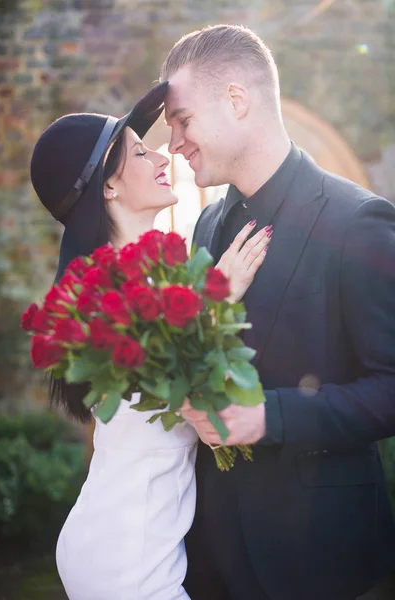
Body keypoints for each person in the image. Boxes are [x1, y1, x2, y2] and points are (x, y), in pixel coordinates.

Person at [161, 24, 395, 600]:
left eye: (183, 121)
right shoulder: (207, 227)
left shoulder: (358, 220)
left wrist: (269, 417)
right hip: (211, 554)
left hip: (322, 560)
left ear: (236, 100)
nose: (174, 143)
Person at [29, 81, 272, 600]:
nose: (161, 153)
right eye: (138, 150)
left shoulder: (140, 282)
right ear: (108, 188)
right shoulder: (113, 299)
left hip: (119, 534)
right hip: (129, 560)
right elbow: (212, 418)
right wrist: (220, 297)